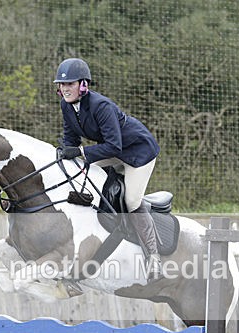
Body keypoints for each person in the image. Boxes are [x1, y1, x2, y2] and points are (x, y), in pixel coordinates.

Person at [54, 57, 162, 280]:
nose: (65, 89)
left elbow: (114, 145)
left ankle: (153, 257)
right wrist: (66, 152)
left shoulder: (100, 106)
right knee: (77, 171)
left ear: (83, 85)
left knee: (132, 201)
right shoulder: (66, 105)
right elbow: (70, 138)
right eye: (62, 84)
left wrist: (82, 153)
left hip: (138, 153)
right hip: (113, 152)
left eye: (70, 84)